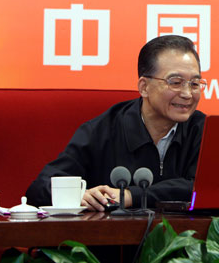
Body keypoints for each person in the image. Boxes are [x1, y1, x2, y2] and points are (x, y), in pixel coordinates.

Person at [26, 35, 206, 211]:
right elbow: (40, 188)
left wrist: (131, 196)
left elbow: (207, 188)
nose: (187, 94)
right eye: (176, 82)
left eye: (195, 84)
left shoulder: (205, 131)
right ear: (144, 87)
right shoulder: (101, 130)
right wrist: (78, 195)